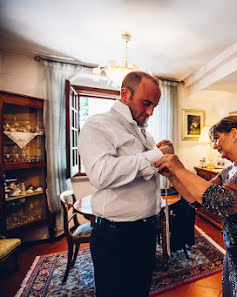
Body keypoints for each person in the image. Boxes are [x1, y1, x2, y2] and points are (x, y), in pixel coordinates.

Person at [156, 116, 237, 297]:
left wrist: (179, 168)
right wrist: (173, 175)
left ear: (234, 134)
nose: (214, 145)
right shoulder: (229, 172)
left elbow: (225, 202)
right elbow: (197, 198)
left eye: (217, 139)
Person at [78, 71, 174, 297]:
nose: (150, 112)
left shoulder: (146, 134)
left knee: (140, 290)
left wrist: (160, 157)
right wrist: (154, 155)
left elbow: (145, 171)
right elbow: (101, 174)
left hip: (146, 230)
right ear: (124, 94)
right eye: (146, 103)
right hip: (116, 235)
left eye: (155, 106)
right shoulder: (98, 125)